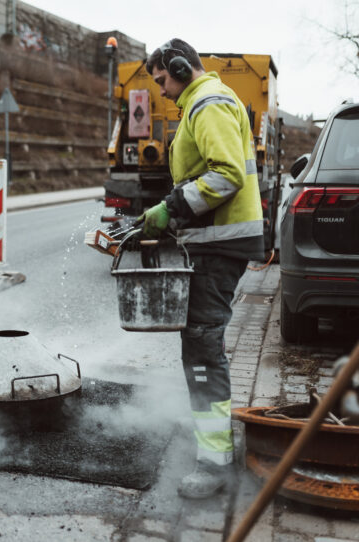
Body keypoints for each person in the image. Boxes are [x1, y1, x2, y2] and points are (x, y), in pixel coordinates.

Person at [141, 39, 264, 498]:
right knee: (200, 344)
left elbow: (226, 175)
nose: (162, 92)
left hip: (221, 243)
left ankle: (214, 464)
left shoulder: (206, 104)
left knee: (202, 346)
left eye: (162, 81)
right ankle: (212, 443)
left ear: (178, 67)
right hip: (217, 241)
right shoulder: (204, 101)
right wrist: (166, 213)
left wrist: (170, 207)